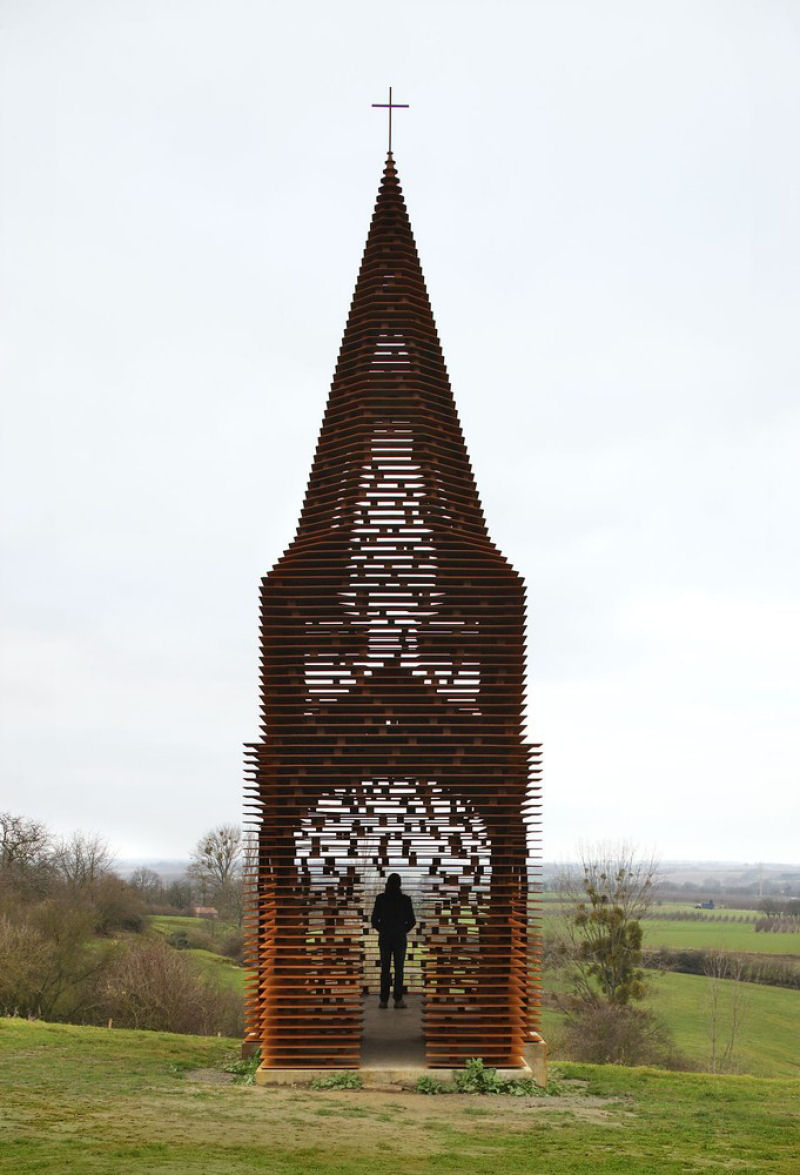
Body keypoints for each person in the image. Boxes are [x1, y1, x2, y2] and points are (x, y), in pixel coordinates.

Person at [371, 873, 416, 1008]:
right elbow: (412, 921)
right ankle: (398, 1000)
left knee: (385, 970)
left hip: (385, 938)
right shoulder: (405, 900)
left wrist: (383, 930)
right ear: (400, 884)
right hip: (399, 939)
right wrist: (402, 931)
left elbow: (374, 920)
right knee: (399, 970)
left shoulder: (380, 899)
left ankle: (383, 1001)